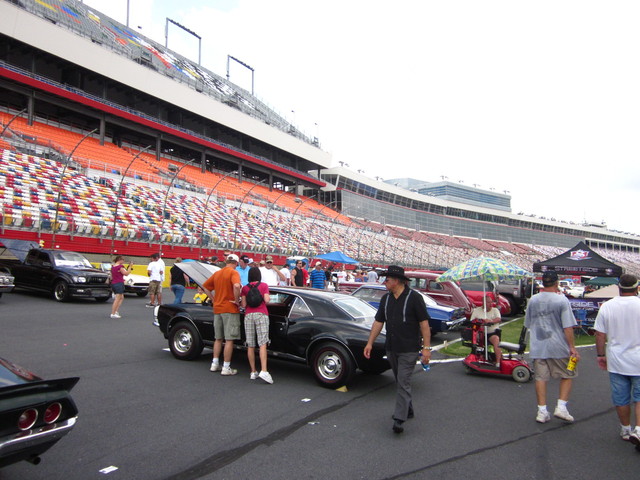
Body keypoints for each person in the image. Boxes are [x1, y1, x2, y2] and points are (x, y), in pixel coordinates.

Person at [364, 265, 431, 434]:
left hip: (409, 348)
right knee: (401, 382)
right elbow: (378, 322)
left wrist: (426, 349)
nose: (384, 282)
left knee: (403, 381)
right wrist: (369, 343)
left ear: (397, 281)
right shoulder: (385, 299)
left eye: (387, 280)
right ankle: (408, 409)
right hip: (391, 347)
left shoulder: (414, 298)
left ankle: (399, 419)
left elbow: (424, 324)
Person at [524, 271, 579, 423]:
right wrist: (572, 347)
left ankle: (542, 410)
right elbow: (568, 327)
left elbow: (528, 323)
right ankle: (561, 406)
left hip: (538, 345)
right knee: (567, 374)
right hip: (558, 345)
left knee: (541, 378)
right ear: (557, 283)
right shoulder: (562, 300)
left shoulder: (533, 300)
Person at [594, 273, 640, 445]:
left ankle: (626, 428)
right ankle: (639, 429)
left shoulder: (607, 306)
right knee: (639, 396)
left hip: (617, 358)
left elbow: (600, 334)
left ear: (619, 288)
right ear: (637, 288)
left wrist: (600, 355)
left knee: (621, 398)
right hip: (638, 358)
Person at [203, 254, 242, 376]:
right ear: (236, 263)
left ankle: (214, 363)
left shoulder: (218, 273)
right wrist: (236, 300)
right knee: (229, 339)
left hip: (218, 308)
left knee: (218, 338)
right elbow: (236, 285)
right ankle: (226, 366)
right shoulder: (233, 273)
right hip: (230, 308)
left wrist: (213, 299)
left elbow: (205, 287)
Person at [240, 267, 273, 384]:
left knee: (250, 344)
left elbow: (243, 304)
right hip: (261, 314)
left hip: (248, 315)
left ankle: (253, 371)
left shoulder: (245, 288)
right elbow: (267, 300)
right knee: (262, 343)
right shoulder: (264, 285)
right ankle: (264, 370)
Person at [470, 294, 502, 366]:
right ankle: (475, 357)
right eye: (488, 302)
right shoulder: (477, 310)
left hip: (491, 333)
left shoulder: (495, 310)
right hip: (480, 333)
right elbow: (472, 321)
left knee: (496, 339)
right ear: (483, 303)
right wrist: (481, 321)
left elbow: (498, 319)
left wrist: (490, 321)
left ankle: (498, 362)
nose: (491, 304)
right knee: (474, 336)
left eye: (491, 302)